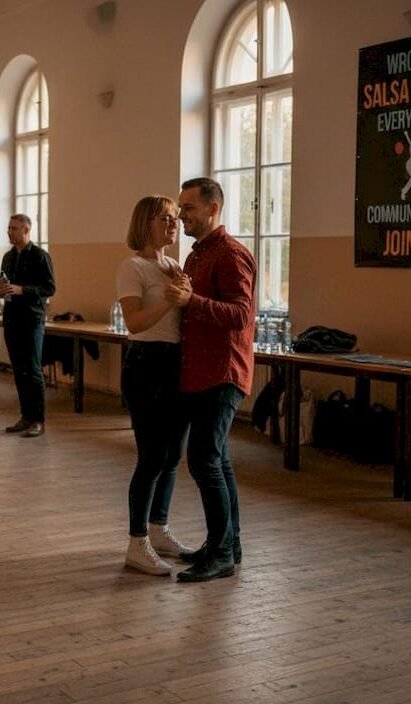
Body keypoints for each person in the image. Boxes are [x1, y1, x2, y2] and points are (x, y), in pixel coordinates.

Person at [164, 177, 256, 583]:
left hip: (223, 371)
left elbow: (240, 315)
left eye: (188, 208)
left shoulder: (232, 254)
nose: (182, 214)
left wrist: (190, 301)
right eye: (181, 208)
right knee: (217, 460)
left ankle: (220, 553)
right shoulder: (197, 255)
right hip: (200, 370)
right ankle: (227, 544)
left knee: (203, 460)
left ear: (212, 209)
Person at [117, 196, 195, 575]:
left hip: (174, 363)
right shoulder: (133, 267)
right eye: (165, 218)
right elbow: (134, 322)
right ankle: (137, 542)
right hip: (145, 363)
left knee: (172, 454)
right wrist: (169, 300)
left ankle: (158, 527)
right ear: (146, 222)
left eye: (175, 218)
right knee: (150, 456)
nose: (173, 224)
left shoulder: (173, 266)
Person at [0, 214, 55, 438]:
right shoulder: (8, 257)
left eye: (13, 228)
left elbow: (49, 288)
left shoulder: (40, 256)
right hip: (11, 317)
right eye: (9, 228)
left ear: (26, 230)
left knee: (33, 369)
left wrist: (22, 290)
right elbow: (2, 284)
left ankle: (38, 420)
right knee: (18, 369)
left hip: (31, 319)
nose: (9, 232)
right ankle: (25, 416)